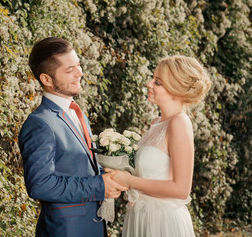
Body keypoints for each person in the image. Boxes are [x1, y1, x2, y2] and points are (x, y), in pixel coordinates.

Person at [18, 37, 127, 237]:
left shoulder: (77, 112)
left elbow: (78, 166)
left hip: (93, 226)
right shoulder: (40, 123)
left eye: (78, 65)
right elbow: (40, 184)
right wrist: (100, 186)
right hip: (66, 230)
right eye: (70, 70)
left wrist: (110, 173)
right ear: (47, 79)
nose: (80, 73)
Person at [108, 55, 211, 237]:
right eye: (153, 78)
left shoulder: (179, 122)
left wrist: (129, 181)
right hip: (139, 216)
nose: (149, 84)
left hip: (161, 222)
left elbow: (181, 189)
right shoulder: (156, 123)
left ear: (176, 91)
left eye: (158, 82)